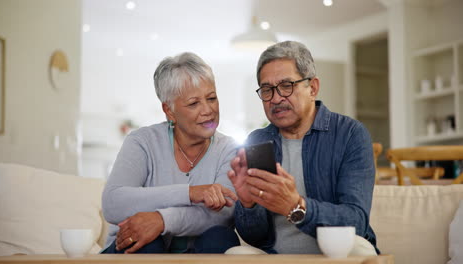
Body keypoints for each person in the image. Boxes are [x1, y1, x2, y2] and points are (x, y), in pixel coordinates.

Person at [228, 41, 379, 255]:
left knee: (360, 251)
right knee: (235, 254)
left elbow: (356, 221)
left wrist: (296, 206)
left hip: (335, 253)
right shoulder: (257, 142)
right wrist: (248, 204)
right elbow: (254, 237)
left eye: (287, 85)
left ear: (312, 88)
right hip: (276, 257)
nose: (276, 98)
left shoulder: (350, 134)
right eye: (267, 89)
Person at [101, 52, 240, 254]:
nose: (208, 110)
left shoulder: (229, 150)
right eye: (194, 103)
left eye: (212, 98)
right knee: (149, 244)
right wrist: (190, 193)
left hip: (195, 253)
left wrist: (162, 220)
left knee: (221, 236)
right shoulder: (142, 141)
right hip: (134, 251)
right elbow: (113, 204)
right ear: (169, 110)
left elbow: (224, 214)